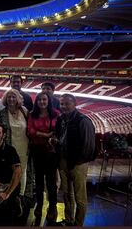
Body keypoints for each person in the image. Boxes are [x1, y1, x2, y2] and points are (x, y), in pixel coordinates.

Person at [55, 93, 96, 226]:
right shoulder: (61, 119)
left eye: (67, 103)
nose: (64, 106)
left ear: (75, 104)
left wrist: (78, 161)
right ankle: (69, 219)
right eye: (62, 104)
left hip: (78, 164)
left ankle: (78, 224)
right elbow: (60, 138)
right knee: (66, 194)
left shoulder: (83, 120)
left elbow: (89, 145)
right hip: (63, 161)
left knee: (80, 198)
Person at [27, 92, 60, 225]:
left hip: (51, 151)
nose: (41, 102)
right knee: (39, 181)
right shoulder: (32, 114)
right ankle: (39, 206)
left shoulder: (56, 113)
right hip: (37, 150)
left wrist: (42, 135)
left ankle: (52, 206)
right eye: (39, 100)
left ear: (48, 101)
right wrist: (45, 134)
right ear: (36, 102)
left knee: (51, 183)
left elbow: (58, 131)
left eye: (44, 99)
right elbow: (30, 131)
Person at [0, 88, 29, 196]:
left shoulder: (24, 111)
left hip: (24, 146)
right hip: (9, 147)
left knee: (22, 171)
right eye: (9, 97)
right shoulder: (2, 113)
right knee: (10, 172)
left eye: (13, 97)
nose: (11, 99)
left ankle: (21, 195)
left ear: (18, 98)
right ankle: (9, 193)